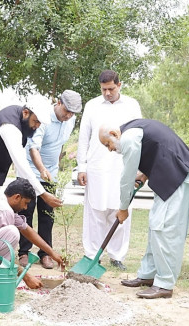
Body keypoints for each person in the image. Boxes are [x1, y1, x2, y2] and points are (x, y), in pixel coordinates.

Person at [99, 119, 189, 299]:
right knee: (155, 227)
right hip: (167, 180)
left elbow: (127, 177)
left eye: (108, 144)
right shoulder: (135, 130)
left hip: (176, 179)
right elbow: (157, 149)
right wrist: (145, 174)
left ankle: (165, 284)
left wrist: (123, 208)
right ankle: (148, 275)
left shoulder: (129, 138)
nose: (110, 149)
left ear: (115, 135)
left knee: (165, 231)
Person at [77, 70, 142, 270]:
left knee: (120, 208)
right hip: (96, 165)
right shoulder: (92, 106)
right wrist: (82, 167)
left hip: (123, 166)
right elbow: (83, 137)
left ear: (119, 85)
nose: (107, 93)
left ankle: (116, 256)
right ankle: (92, 254)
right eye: (104, 89)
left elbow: (140, 134)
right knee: (95, 210)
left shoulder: (132, 105)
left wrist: (139, 167)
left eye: (111, 89)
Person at [0, 95, 62, 210]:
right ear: (25, 113)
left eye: (40, 123)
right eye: (36, 121)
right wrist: (43, 194)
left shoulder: (20, 117)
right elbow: (21, 164)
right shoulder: (10, 126)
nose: (37, 126)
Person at [18, 90, 82, 269]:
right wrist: (41, 169)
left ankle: (45, 254)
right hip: (30, 171)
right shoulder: (43, 118)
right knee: (26, 212)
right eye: (66, 111)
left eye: (72, 113)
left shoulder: (70, 120)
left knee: (47, 215)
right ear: (59, 103)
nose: (69, 116)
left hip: (50, 173)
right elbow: (33, 148)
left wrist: (53, 167)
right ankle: (23, 252)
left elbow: (59, 145)